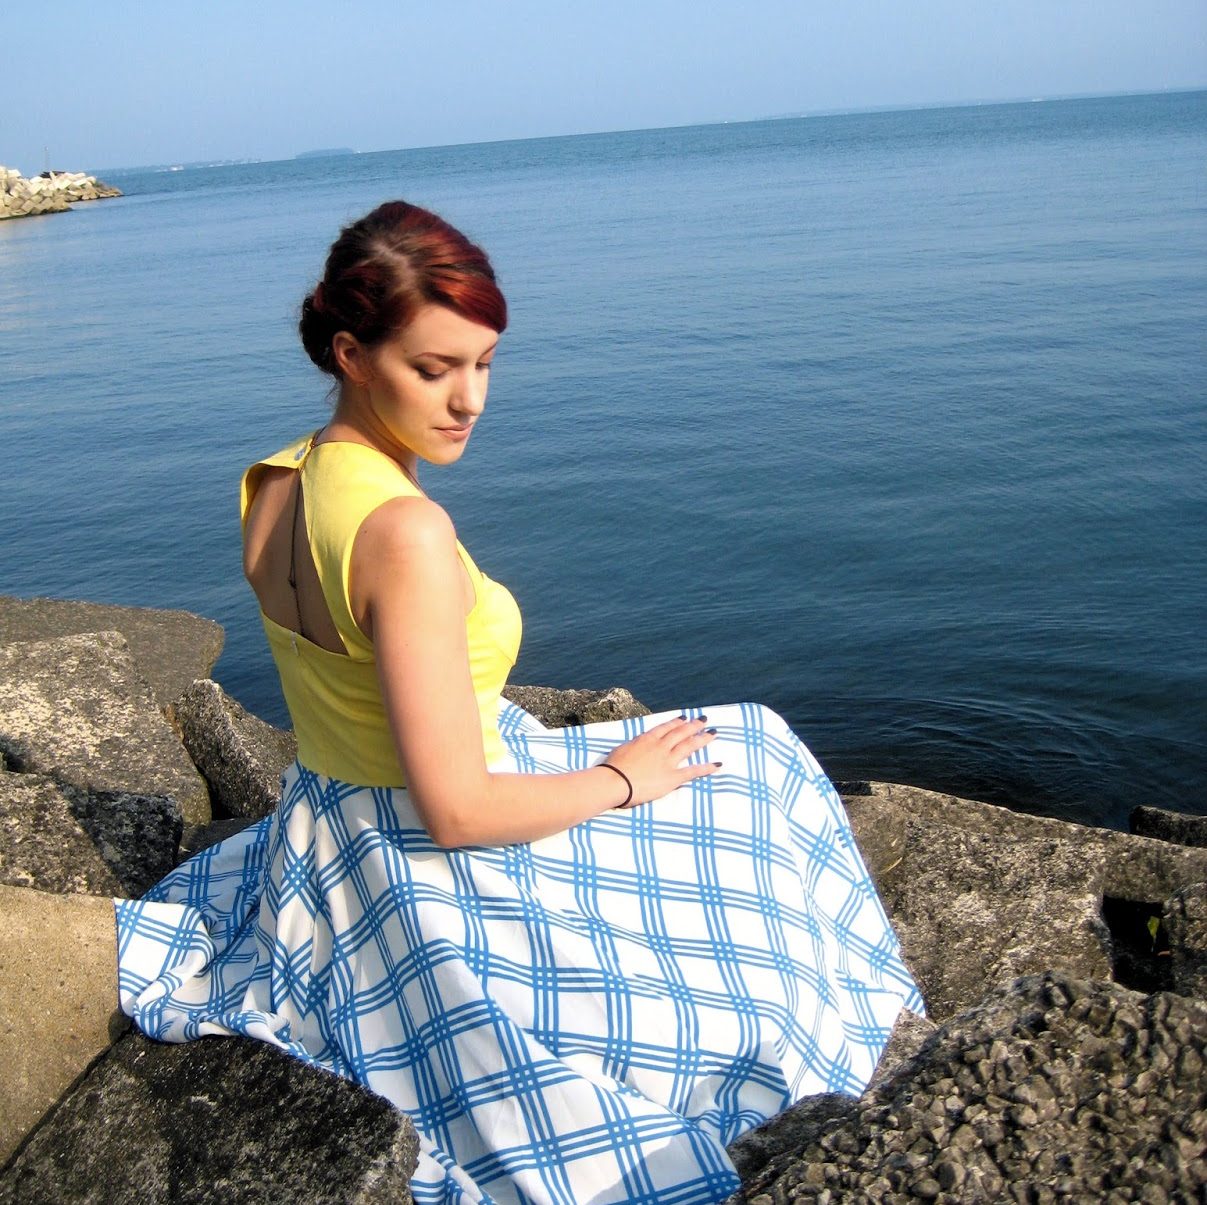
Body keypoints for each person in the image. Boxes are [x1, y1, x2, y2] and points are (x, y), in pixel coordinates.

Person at [115, 200, 922, 1204]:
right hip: (422, 847)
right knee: (748, 813)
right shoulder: (401, 531)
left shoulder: (281, 475)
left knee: (742, 742)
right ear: (351, 353)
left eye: (483, 363)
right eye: (433, 367)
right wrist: (619, 779)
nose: (469, 400)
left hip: (327, 824)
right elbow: (456, 810)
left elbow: (350, 687)